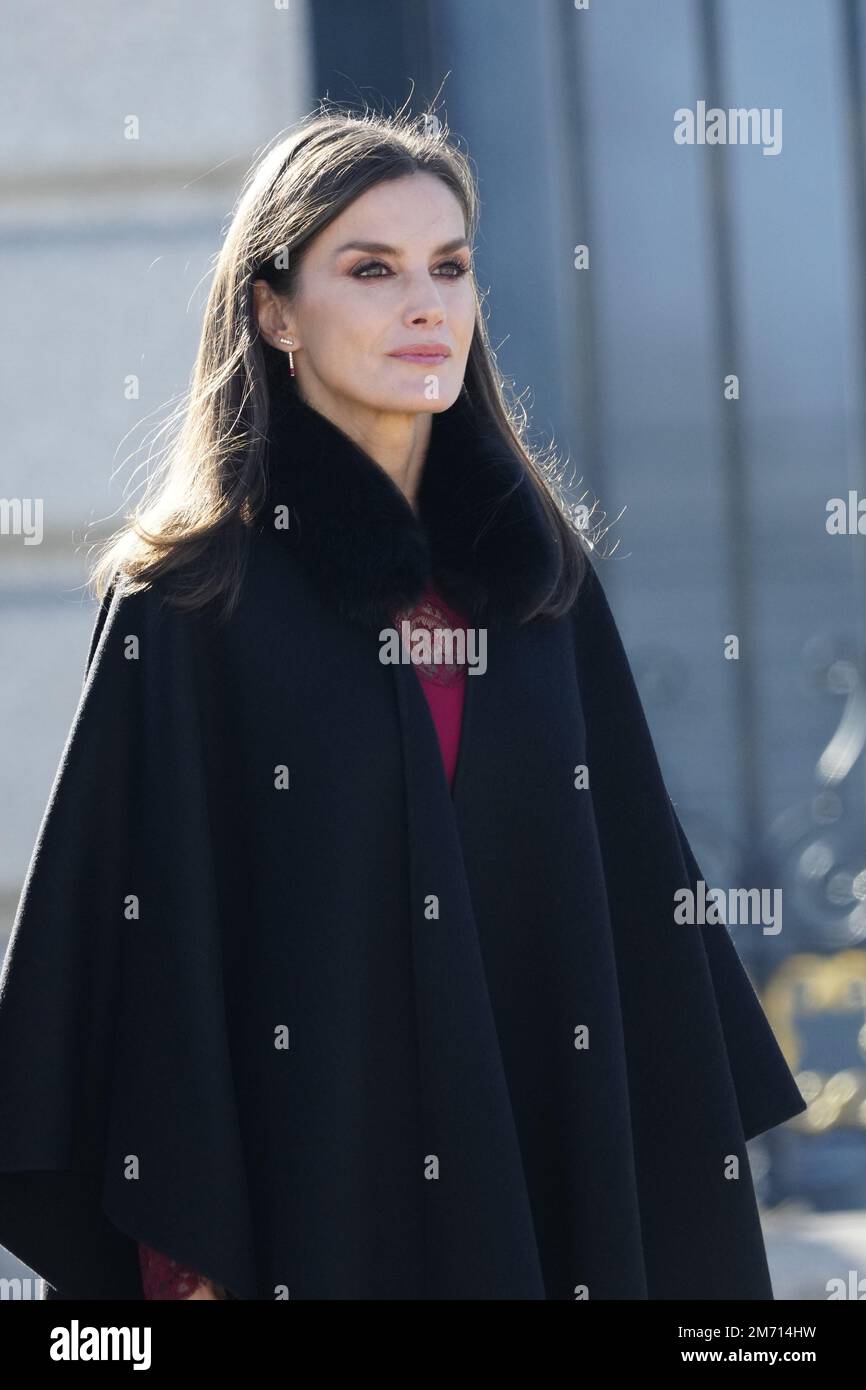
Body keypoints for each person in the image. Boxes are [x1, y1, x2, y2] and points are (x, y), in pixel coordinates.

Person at [0, 105, 806, 1301]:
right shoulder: (188, 600)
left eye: (449, 266)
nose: (425, 303)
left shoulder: (538, 585)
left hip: (539, 1206)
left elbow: (628, 930)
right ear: (274, 310)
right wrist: (182, 1246)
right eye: (370, 269)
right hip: (303, 1210)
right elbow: (139, 952)